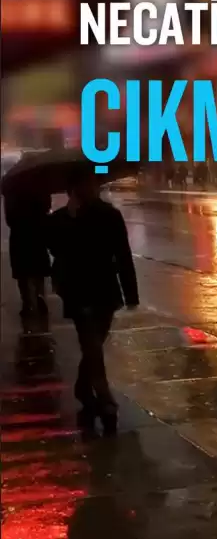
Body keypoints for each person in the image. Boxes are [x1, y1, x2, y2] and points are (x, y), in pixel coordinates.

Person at [47, 172, 139, 433]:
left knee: (95, 342)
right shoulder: (60, 219)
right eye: (83, 185)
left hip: (104, 289)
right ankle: (104, 396)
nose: (89, 189)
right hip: (77, 290)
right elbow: (54, 248)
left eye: (92, 184)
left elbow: (123, 254)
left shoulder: (110, 215)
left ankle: (82, 386)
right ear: (72, 189)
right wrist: (70, 219)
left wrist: (130, 293)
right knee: (91, 344)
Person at [4, 191, 51, 318]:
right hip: (36, 232)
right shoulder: (38, 187)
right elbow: (47, 206)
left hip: (19, 233)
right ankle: (39, 295)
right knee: (38, 269)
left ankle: (27, 302)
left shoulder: (11, 189)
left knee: (22, 271)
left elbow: (9, 218)